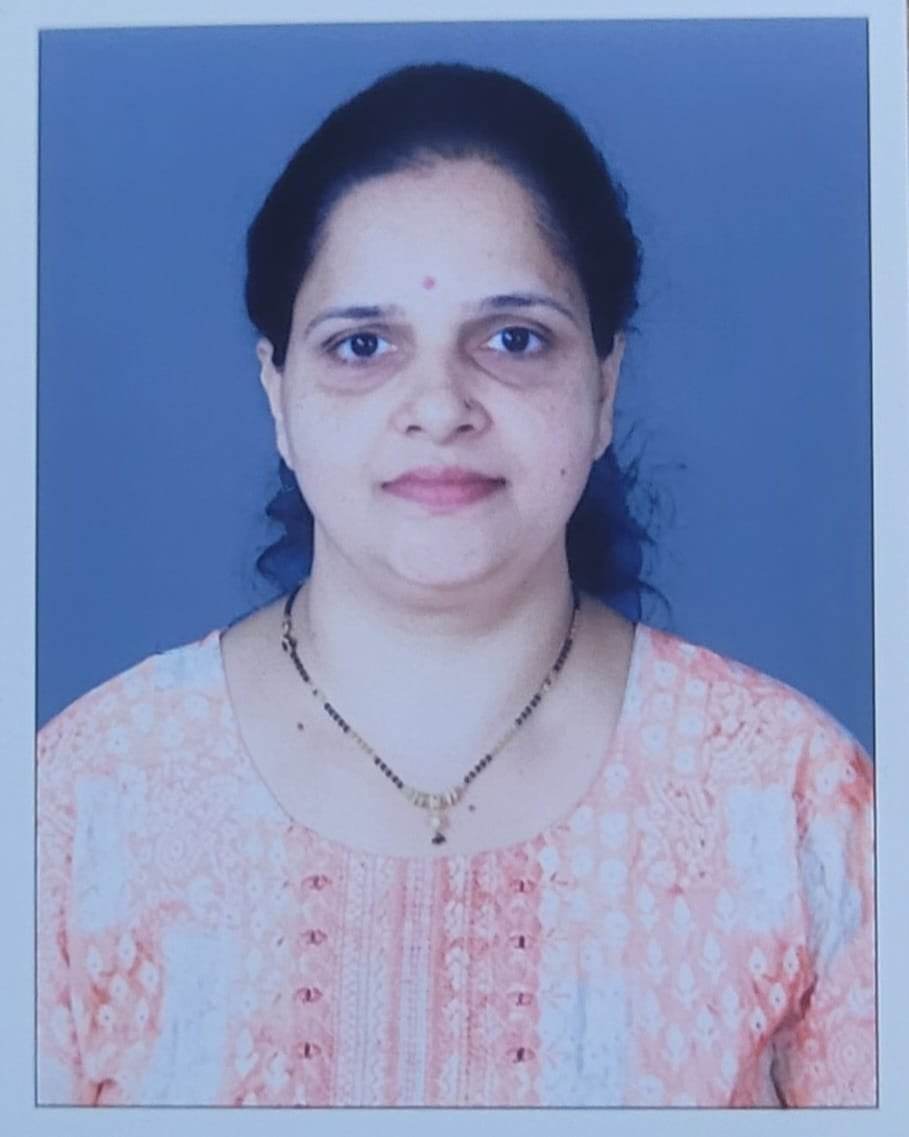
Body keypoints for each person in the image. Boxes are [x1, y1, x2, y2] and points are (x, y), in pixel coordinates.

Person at [36, 62, 875, 1108]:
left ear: (603, 386)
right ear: (277, 396)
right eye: (362, 345)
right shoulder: (81, 805)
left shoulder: (793, 805)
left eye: (514, 339)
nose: (439, 405)